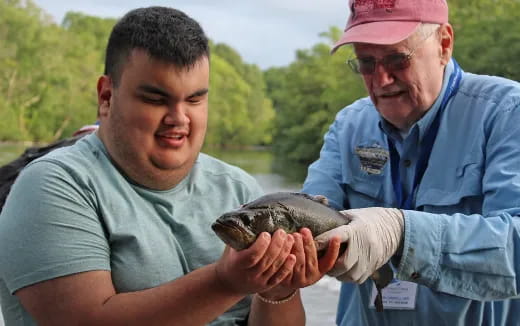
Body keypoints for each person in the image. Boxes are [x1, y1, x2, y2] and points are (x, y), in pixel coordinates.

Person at [0, 7, 340, 326]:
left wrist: (277, 290)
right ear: (106, 97)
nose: (179, 118)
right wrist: (225, 282)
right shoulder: (51, 186)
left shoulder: (239, 188)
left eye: (194, 99)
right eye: (155, 99)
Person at [302, 0, 520, 325]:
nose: (381, 78)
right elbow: (308, 215)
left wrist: (401, 232)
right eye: (365, 62)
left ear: (444, 44)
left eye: (396, 58)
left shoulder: (507, 113)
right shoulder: (348, 124)